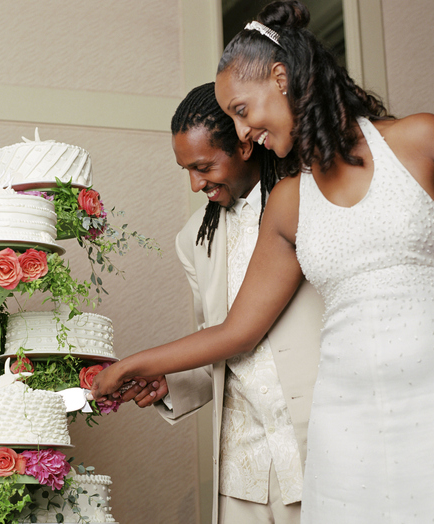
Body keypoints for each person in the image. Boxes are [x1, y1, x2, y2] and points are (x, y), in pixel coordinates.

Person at [93, 1, 434, 523]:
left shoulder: (422, 139)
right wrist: (130, 366)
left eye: (241, 110)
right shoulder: (289, 201)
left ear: (281, 78)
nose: (242, 133)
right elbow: (237, 331)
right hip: (346, 420)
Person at [123, 82, 323, 524]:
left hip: (317, 444)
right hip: (242, 469)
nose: (196, 183)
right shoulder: (194, 237)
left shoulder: (311, 200)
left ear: (245, 145)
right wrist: (174, 382)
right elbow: (215, 336)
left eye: (204, 166)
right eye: (186, 170)